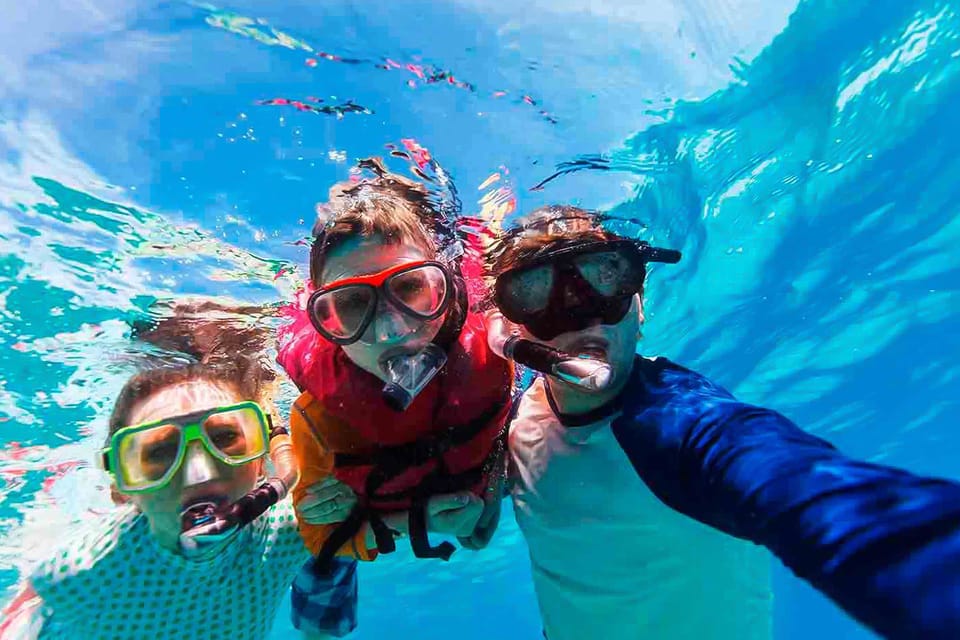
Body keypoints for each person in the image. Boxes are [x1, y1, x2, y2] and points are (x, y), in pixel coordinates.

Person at [486, 205, 960, 640]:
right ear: (515, 325)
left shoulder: (678, 425)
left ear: (641, 303)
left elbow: (809, 492)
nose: (577, 310)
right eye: (534, 291)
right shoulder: (513, 417)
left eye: (604, 275)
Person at [276, 158, 513, 638]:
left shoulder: (496, 340)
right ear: (323, 320)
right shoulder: (318, 409)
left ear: (445, 285)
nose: (392, 329)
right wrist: (414, 520)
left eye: (410, 289)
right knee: (320, 609)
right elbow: (321, 535)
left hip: (464, 475)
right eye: (351, 305)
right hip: (370, 505)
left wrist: (492, 486)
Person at [0, 302, 310, 640]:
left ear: (261, 457)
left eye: (224, 438)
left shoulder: (298, 524)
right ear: (121, 488)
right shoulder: (82, 576)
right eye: (160, 451)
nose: (200, 472)